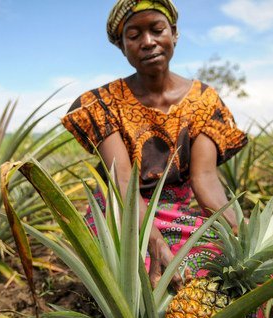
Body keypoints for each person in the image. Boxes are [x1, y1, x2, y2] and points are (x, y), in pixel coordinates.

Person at [61, 0, 248, 292]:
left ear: (173, 33)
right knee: (135, 281)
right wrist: (154, 241)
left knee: (227, 271)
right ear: (122, 47)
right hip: (122, 209)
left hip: (177, 210)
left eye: (157, 30)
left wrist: (241, 230)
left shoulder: (204, 101)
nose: (147, 42)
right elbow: (123, 179)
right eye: (134, 35)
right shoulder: (103, 103)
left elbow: (204, 177)